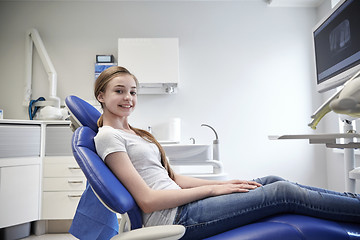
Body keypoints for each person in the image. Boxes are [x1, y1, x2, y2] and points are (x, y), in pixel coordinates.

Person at [93, 66, 360, 239]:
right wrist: (212, 191)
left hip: (183, 204)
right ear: (101, 96)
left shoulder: (135, 134)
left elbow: (174, 180)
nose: (128, 97)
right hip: (175, 216)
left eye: (132, 92)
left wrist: (224, 184)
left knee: (271, 181)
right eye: (119, 91)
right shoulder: (108, 136)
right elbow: (148, 201)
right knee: (284, 194)